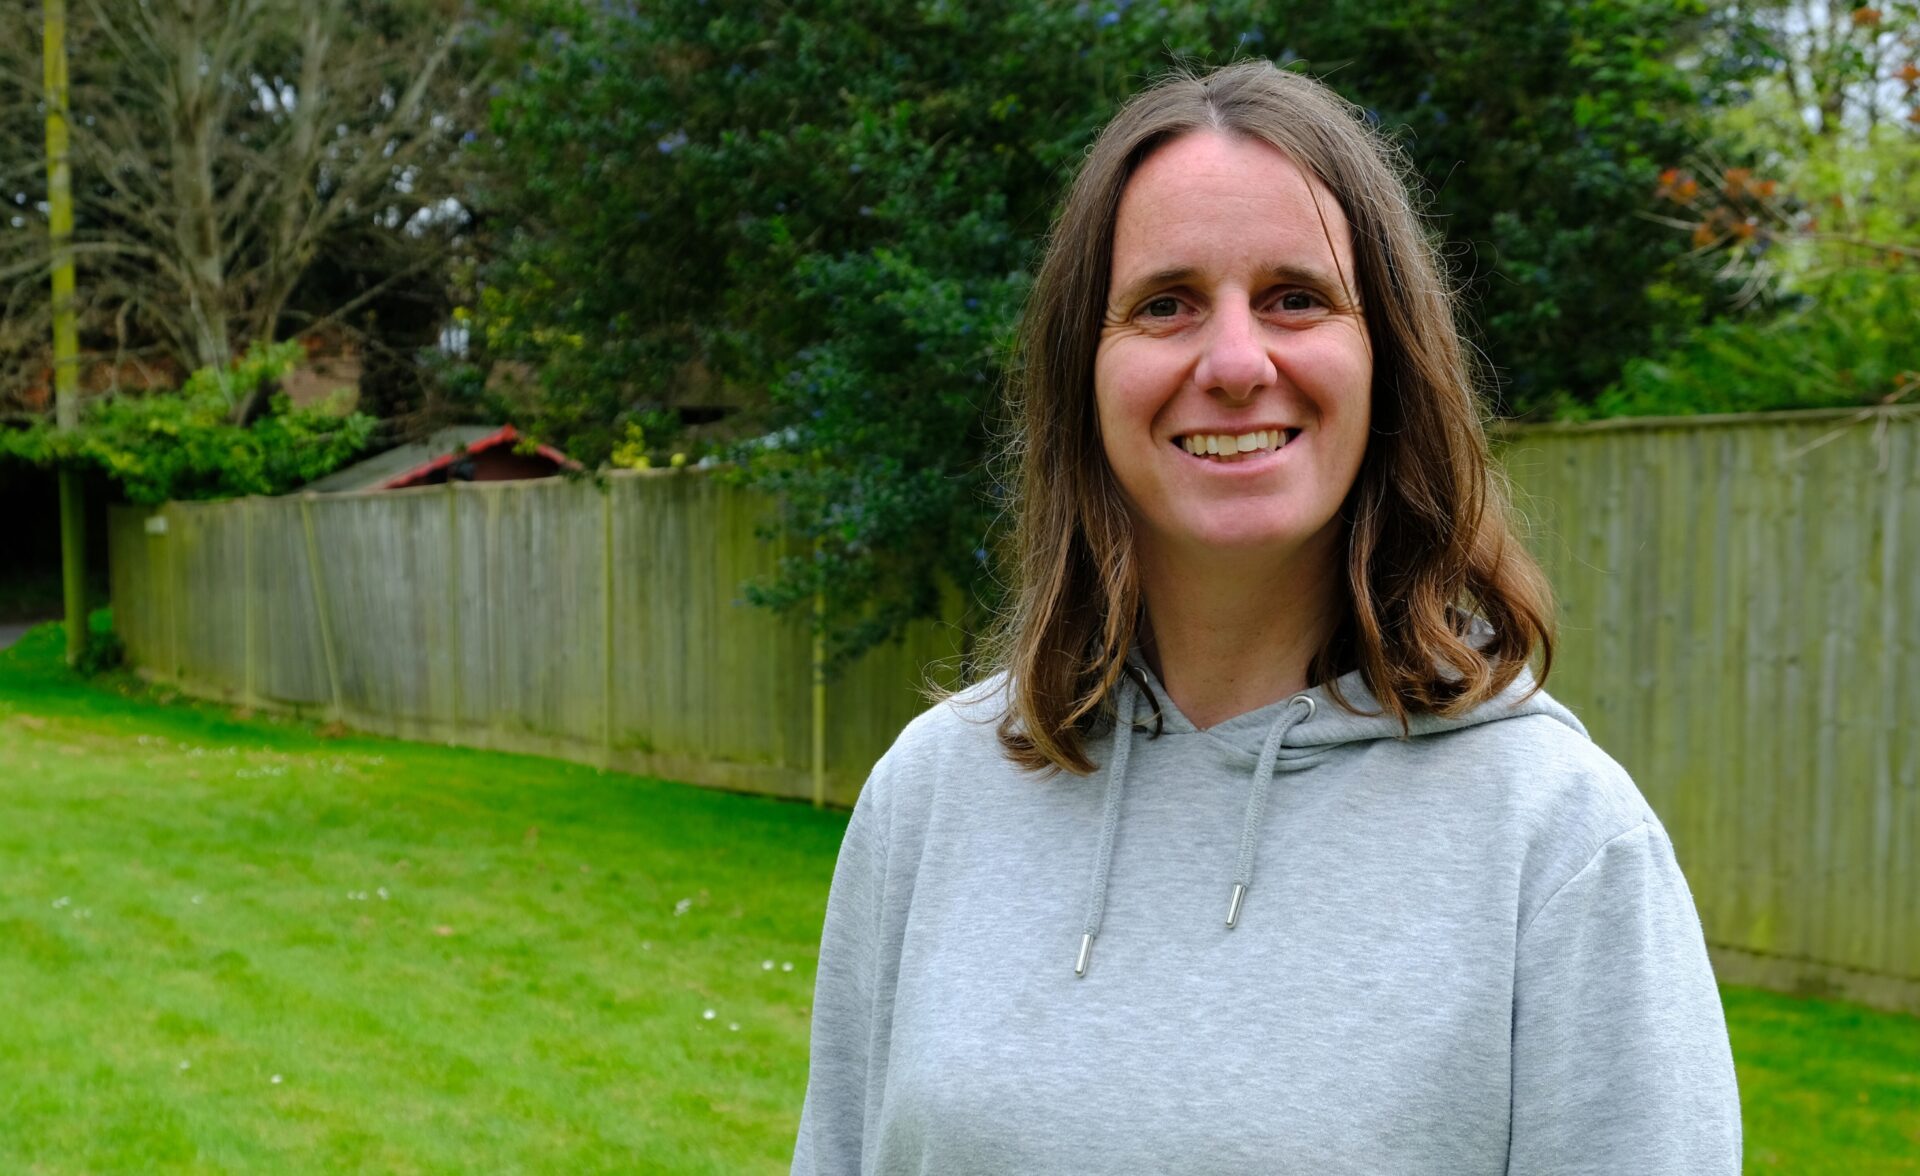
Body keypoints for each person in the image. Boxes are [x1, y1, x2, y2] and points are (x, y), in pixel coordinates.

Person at [791, 60, 1741, 1175]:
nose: (1236, 363)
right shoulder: (933, 797)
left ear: (1386, 356)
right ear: (1083, 375)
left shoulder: (1560, 842)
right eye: (1166, 304)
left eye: (1296, 296)